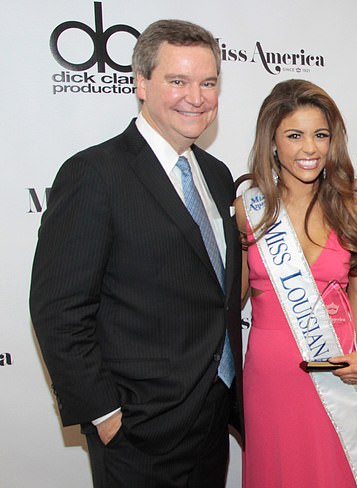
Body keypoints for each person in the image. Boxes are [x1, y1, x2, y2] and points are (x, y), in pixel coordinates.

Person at [30, 20, 242, 487]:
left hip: (211, 417)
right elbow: (58, 309)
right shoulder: (94, 174)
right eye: (178, 81)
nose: (197, 96)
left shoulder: (218, 174)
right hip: (138, 430)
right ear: (141, 83)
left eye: (208, 83)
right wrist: (105, 412)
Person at [235, 79, 357, 488]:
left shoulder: (352, 209)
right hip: (270, 372)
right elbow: (234, 297)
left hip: (334, 367)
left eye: (320, 135)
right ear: (272, 142)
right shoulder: (248, 208)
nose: (310, 149)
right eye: (294, 136)